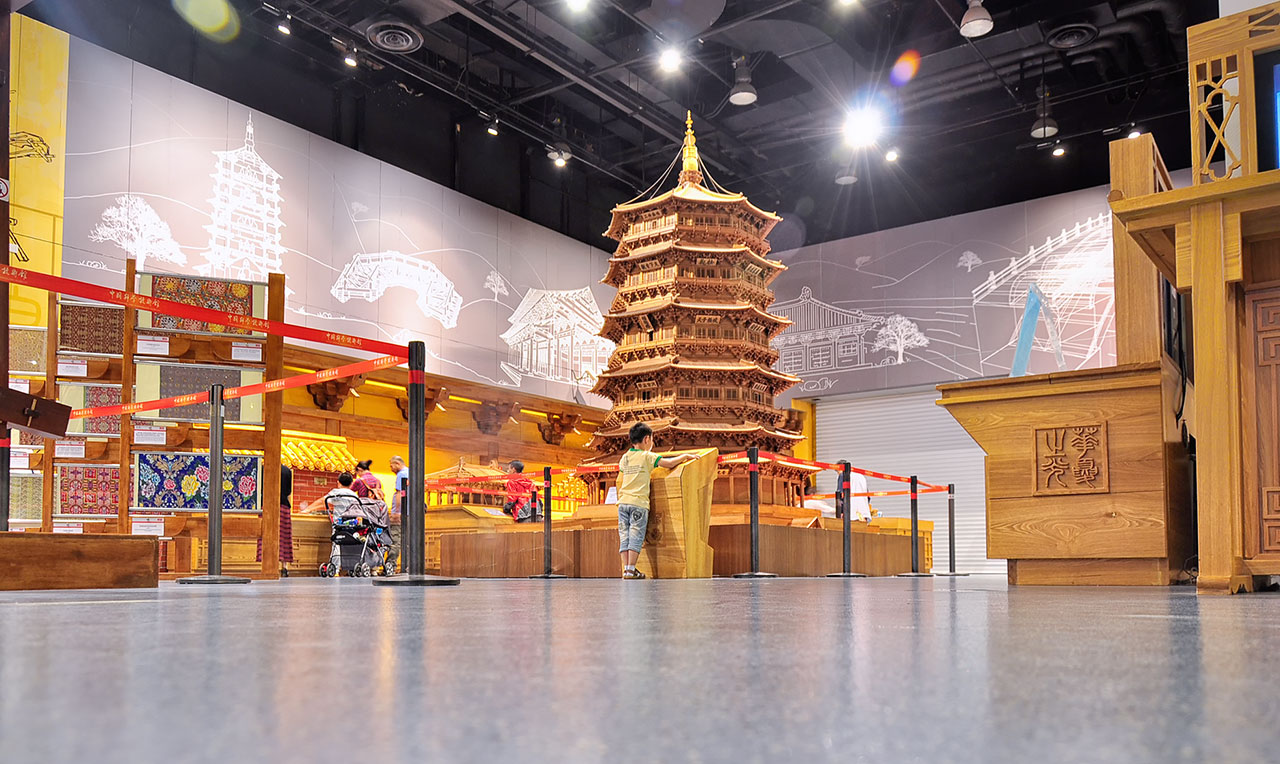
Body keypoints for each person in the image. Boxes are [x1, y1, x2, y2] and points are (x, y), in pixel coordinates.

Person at [616, 423, 697, 579]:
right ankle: (631, 570)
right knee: (636, 536)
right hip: (638, 503)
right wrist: (685, 456)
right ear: (647, 439)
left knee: (624, 536)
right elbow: (669, 463)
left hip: (623, 503)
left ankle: (627, 570)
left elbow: (623, 473)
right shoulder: (647, 456)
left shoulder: (624, 458)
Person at [257, 463, 294, 571]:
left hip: (267, 504)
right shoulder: (287, 470)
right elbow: (288, 491)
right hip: (283, 505)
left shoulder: (263, 468)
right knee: (284, 536)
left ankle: (266, 564)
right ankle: (284, 566)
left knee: (265, 534)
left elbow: (260, 487)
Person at [387, 455, 409, 572]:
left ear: (397, 464)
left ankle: (390, 566)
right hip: (410, 513)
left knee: (395, 539)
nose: (391, 469)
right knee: (408, 541)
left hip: (401, 514)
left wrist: (396, 512)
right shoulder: (411, 473)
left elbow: (400, 493)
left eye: (391, 466)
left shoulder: (401, 474)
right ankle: (408, 566)